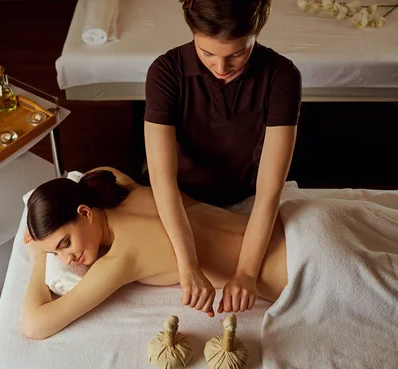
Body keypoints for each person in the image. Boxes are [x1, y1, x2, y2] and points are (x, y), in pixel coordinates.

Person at [143, 0, 301, 317]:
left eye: (237, 54)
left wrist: (245, 274)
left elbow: (270, 191)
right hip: (179, 199)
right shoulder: (165, 72)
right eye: (207, 53)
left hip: (245, 193)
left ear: (256, 32)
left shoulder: (282, 75)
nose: (221, 67)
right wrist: (187, 265)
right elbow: (162, 181)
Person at [23, 168, 287, 340]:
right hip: (287, 226)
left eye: (65, 244)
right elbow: (81, 178)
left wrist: (37, 258)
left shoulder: (121, 260)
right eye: (54, 254)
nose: (67, 259)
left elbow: (36, 326)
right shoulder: (123, 186)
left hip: (292, 272)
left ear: (85, 212)